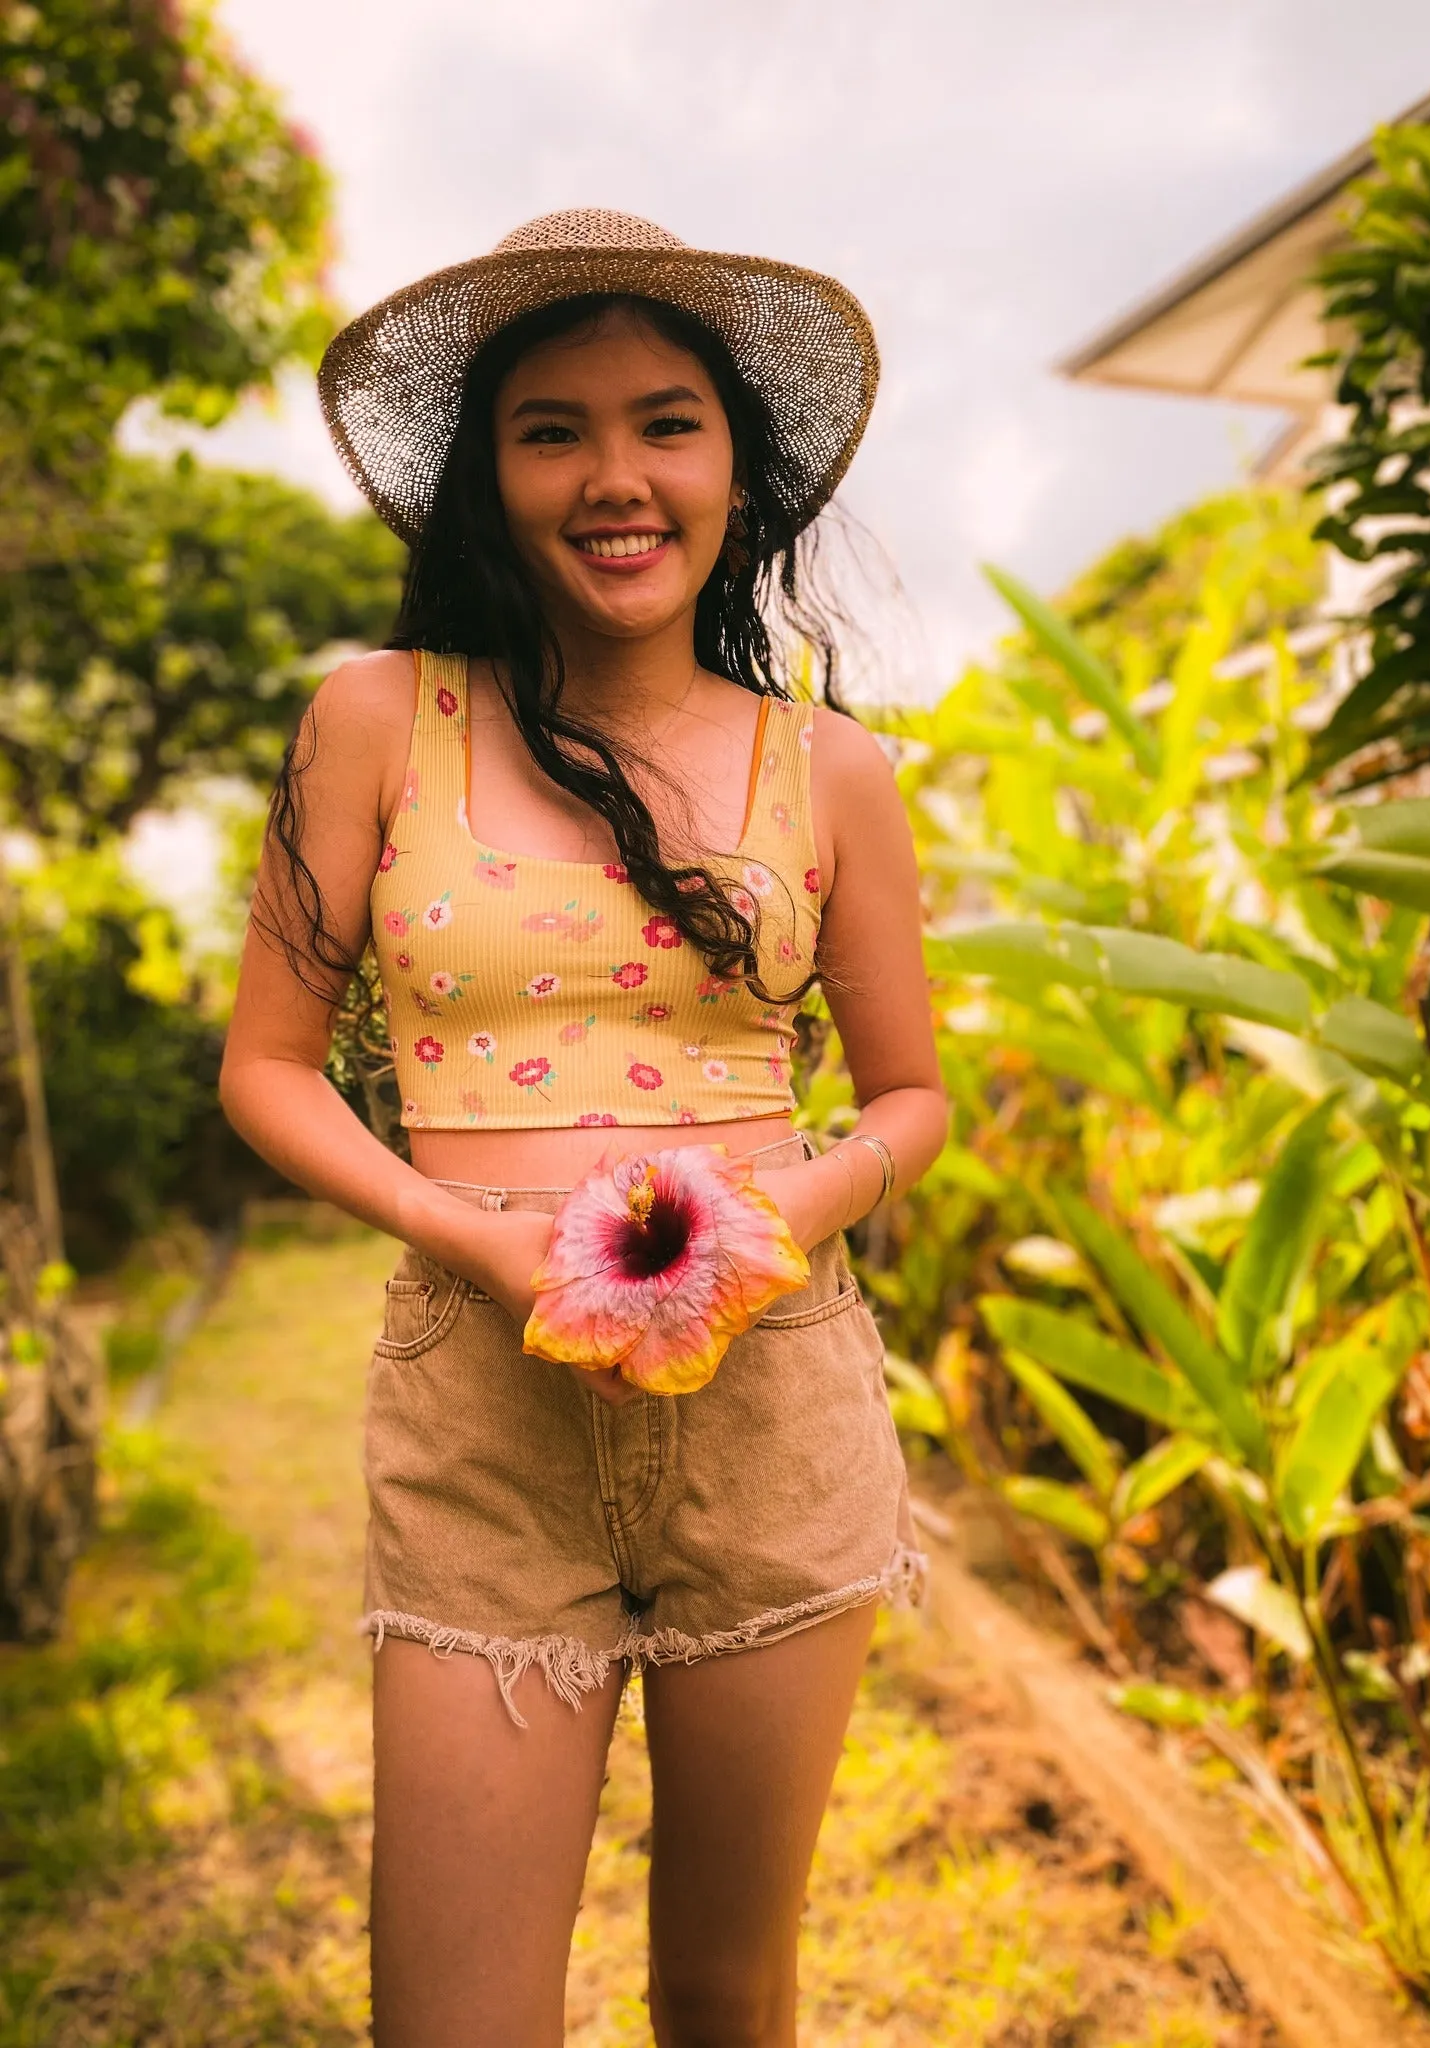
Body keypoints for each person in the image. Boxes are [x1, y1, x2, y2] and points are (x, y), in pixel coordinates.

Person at [219, 208, 947, 2048]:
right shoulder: (379, 722)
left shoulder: (829, 770)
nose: (615, 476)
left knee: (724, 1994)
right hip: (483, 1413)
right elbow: (269, 1068)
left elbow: (914, 1094)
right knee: (450, 2022)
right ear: (488, 479)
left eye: (666, 421)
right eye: (552, 429)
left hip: (774, 1409)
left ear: (736, 468)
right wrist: (469, 1234)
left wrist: (796, 1201)